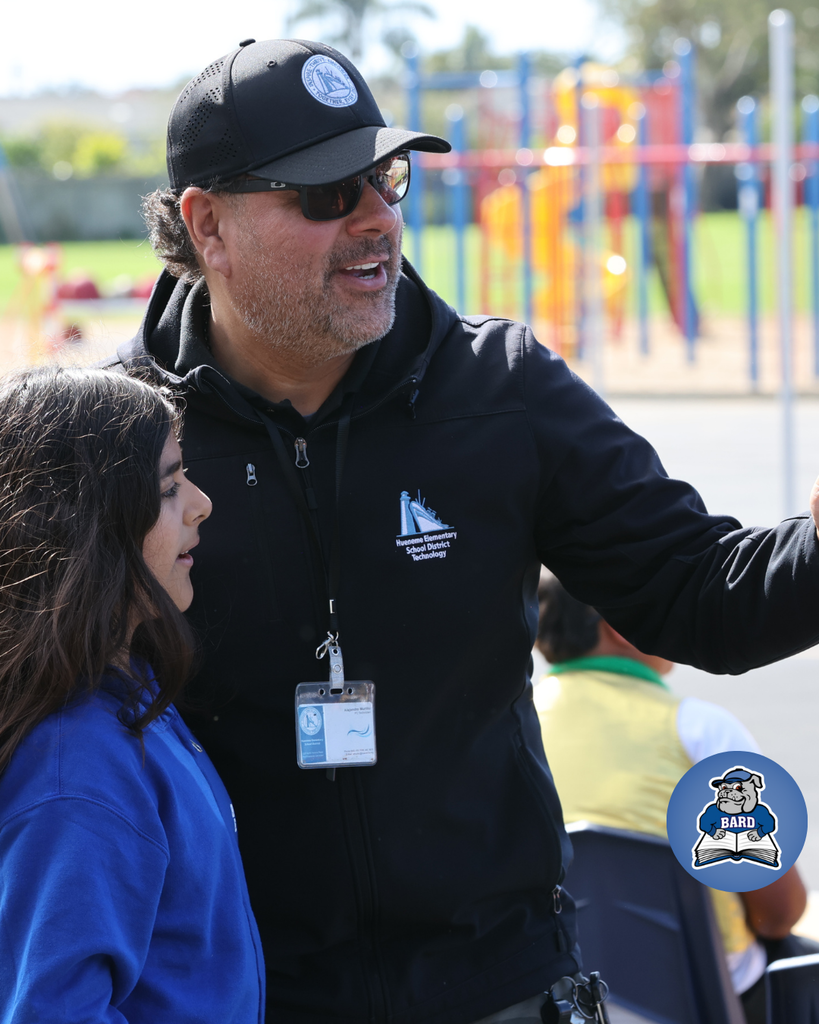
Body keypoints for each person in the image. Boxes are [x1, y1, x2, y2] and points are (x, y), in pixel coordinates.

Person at [102, 37, 819, 1024]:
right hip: (237, 999)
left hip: (504, 989)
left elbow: (696, 594)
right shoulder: (114, 437)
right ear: (207, 224)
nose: (377, 220)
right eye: (326, 194)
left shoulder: (502, 390)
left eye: (386, 178)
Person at [0, 367, 265, 1022]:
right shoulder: (76, 767)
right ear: (88, 519)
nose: (201, 503)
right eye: (171, 485)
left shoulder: (127, 689)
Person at [534, 573, 818, 1024]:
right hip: (701, 1000)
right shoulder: (703, 730)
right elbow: (781, 913)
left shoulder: (506, 734)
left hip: (553, 1000)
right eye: (663, 606)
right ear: (622, 625)